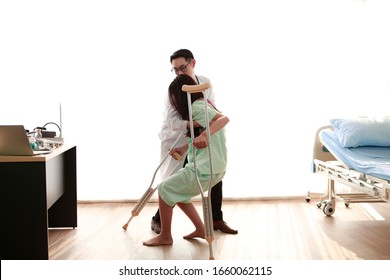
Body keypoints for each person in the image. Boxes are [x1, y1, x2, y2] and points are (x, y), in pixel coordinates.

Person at [151, 49, 237, 235]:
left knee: (190, 181)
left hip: (201, 138)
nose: (180, 72)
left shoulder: (203, 85)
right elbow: (172, 122)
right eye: (175, 69)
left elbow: (214, 111)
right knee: (170, 182)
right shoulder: (173, 90)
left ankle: (215, 219)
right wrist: (201, 123)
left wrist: (206, 129)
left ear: (193, 63)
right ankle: (159, 219)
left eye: (183, 67)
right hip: (177, 137)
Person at [143, 74, 229, 246]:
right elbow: (205, 136)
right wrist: (184, 149)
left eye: (173, 97)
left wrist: (204, 134)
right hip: (216, 167)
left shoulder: (196, 107)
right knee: (177, 193)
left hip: (205, 168)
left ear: (178, 96)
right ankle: (201, 229)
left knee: (164, 188)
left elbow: (224, 119)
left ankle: (165, 236)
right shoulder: (201, 106)